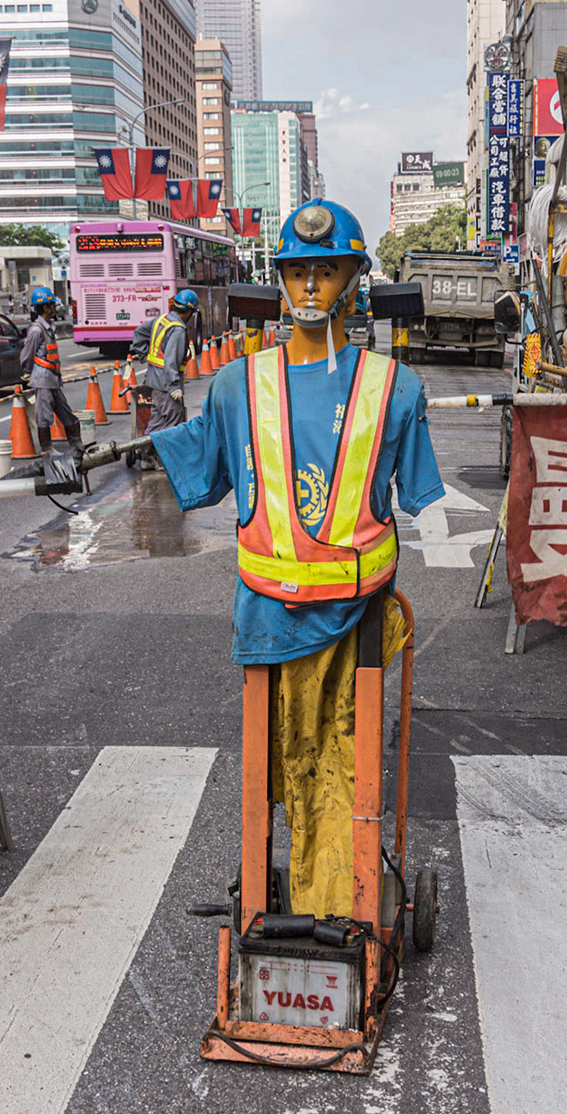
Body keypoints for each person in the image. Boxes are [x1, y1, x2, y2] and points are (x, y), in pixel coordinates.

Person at [149, 199, 444, 916]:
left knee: (342, 769)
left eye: (327, 270)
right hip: (266, 621)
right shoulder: (234, 385)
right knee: (278, 770)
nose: (311, 287)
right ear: (280, 281)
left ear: (354, 281)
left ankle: (338, 908)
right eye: (299, 271)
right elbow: (193, 471)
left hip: (359, 624)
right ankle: (317, 899)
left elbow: (420, 496)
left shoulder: (395, 388)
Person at [20, 289, 82, 454]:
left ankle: (77, 444)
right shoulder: (36, 330)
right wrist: (29, 372)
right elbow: (26, 356)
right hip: (43, 379)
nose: (55, 307)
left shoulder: (49, 328)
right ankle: (46, 448)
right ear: (45, 308)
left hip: (52, 379)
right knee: (44, 415)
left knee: (65, 411)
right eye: (52, 304)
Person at [141, 289, 200, 436]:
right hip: (166, 385)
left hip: (154, 382)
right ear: (189, 312)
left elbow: (138, 333)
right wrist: (174, 386)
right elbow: (171, 359)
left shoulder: (162, 320)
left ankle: (147, 456)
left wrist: (144, 354)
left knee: (156, 424)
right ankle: (165, 457)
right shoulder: (178, 330)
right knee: (174, 423)